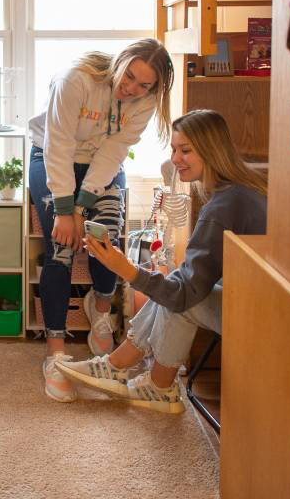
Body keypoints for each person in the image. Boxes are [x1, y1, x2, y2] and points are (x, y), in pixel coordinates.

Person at [57, 109, 266, 413]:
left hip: (263, 318)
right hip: (259, 302)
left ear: (211, 150)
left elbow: (182, 295)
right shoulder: (238, 190)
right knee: (177, 283)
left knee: (180, 297)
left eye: (185, 150)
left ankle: (157, 386)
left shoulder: (223, 207)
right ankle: (118, 367)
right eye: (173, 149)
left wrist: (125, 268)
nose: (175, 158)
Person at [29, 38, 174, 402]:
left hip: (100, 165)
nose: (132, 89)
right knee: (60, 248)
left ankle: (102, 308)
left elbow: (113, 152)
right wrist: (65, 210)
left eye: (145, 85)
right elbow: (57, 144)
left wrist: (82, 208)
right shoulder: (76, 79)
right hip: (51, 156)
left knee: (104, 238)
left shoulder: (144, 102)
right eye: (130, 78)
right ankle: (56, 353)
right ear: (120, 62)